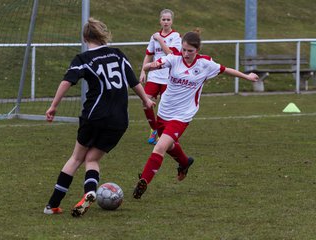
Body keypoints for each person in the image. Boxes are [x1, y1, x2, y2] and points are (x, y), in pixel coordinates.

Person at [43, 17, 155, 216]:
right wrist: (146, 100)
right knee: (92, 160)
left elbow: (66, 82)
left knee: (77, 158)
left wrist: (53, 106)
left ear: (86, 38)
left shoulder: (83, 59)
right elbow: (133, 81)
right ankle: (90, 193)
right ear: (102, 35)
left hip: (95, 116)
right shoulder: (118, 55)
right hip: (119, 120)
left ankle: (52, 205)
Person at [133, 30, 259, 199]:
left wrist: (247, 76)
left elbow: (225, 69)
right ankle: (185, 163)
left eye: (190, 51)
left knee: (160, 146)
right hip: (164, 111)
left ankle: (144, 182)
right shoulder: (174, 58)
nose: (186, 54)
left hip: (183, 115)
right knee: (169, 146)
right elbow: (152, 65)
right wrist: (150, 66)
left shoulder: (205, 64)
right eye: (184, 49)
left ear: (197, 50)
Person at [139, 9, 182, 145]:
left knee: (167, 107)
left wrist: (160, 39)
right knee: (145, 102)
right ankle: (154, 130)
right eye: (163, 19)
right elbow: (149, 54)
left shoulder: (175, 36)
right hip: (154, 75)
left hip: (169, 77)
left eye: (168, 19)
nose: (166, 22)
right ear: (160, 20)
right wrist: (143, 71)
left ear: (172, 21)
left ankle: (167, 134)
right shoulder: (154, 36)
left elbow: (170, 53)